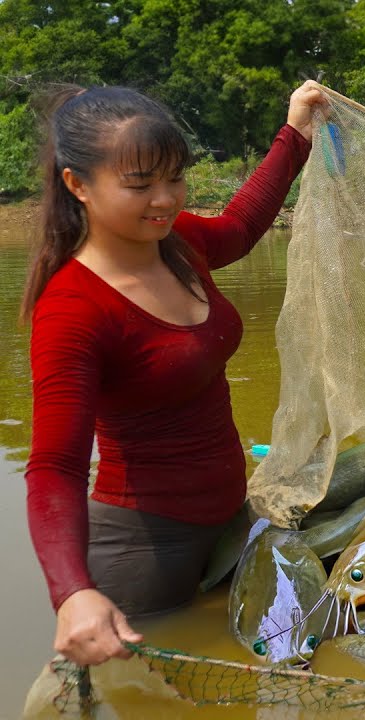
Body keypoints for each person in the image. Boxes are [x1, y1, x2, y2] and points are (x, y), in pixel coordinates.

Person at [21, 80, 329, 667]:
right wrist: (72, 592)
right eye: (139, 185)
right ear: (77, 185)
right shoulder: (73, 310)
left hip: (228, 521)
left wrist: (296, 133)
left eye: (175, 178)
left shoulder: (178, 242)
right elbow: (56, 467)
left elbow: (240, 227)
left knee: (240, 696)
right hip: (142, 551)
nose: (164, 199)